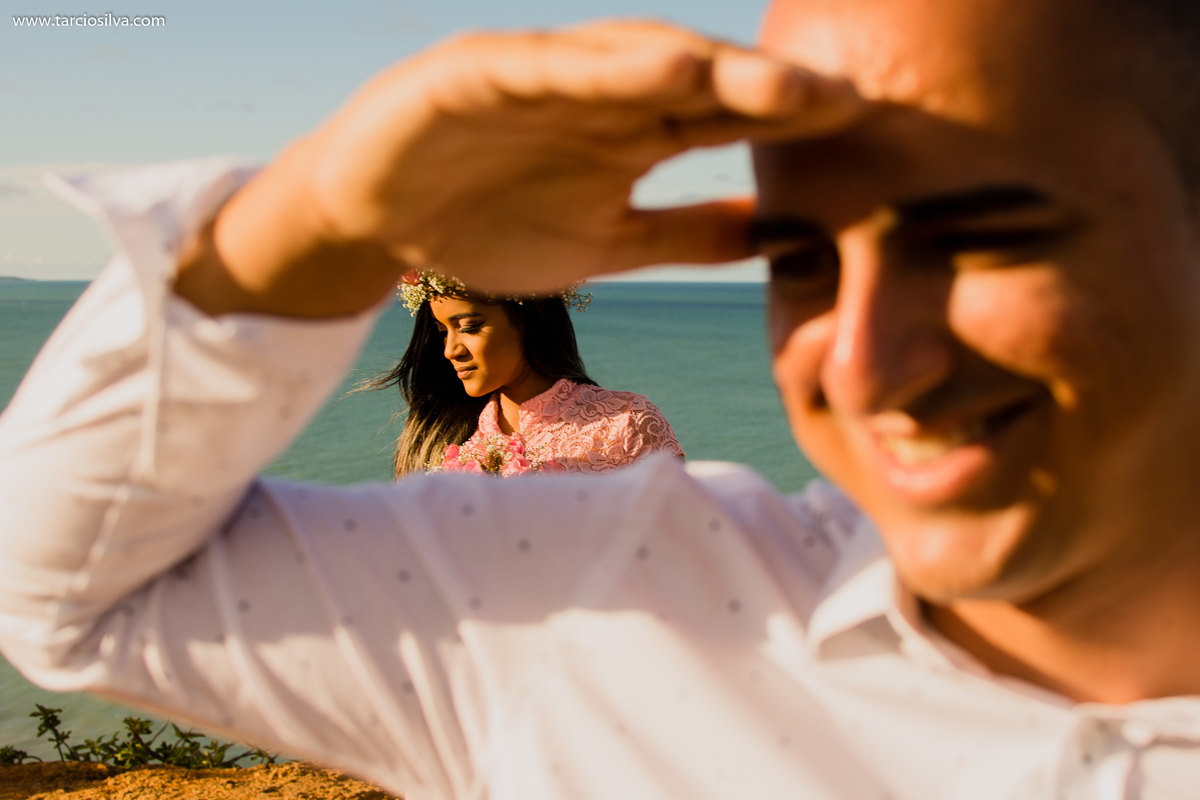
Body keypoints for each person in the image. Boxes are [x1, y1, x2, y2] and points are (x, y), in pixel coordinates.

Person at [3, 1, 1200, 798]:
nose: (867, 365)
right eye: (800, 259)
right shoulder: (594, 602)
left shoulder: (619, 449)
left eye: (987, 242)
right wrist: (323, 211)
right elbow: (61, 586)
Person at [379, 270, 684, 475]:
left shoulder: (626, 422)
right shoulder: (434, 442)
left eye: (469, 327)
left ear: (530, 317)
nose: (450, 350)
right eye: (442, 332)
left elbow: (676, 548)